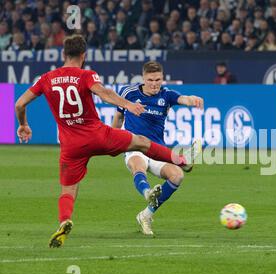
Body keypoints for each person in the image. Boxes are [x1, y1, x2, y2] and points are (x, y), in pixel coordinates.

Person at [15, 35, 195, 248]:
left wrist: (24, 124)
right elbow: (103, 93)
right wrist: (127, 104)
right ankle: (181, 159)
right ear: (84, 56)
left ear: (63, 54)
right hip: (97, 135)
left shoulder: (45, 78)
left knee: (68, 189)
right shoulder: (86, 75)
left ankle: (64, 220)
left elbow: (19, 104)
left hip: (70, 145)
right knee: (142, 142)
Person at [111, 61, 203, 236]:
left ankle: (146, 215)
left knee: (177, 176)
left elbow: (183, 99)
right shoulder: (128, 93)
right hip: (134, 146)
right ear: (143, 78)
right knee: (138, 165)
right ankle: (147, 192)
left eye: (158, 79)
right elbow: (118, 117)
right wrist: (111, 140)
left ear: (162, 78)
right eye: (150, 79)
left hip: (157, 150)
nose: (154, 83)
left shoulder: (166, 95)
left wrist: (193, 100)